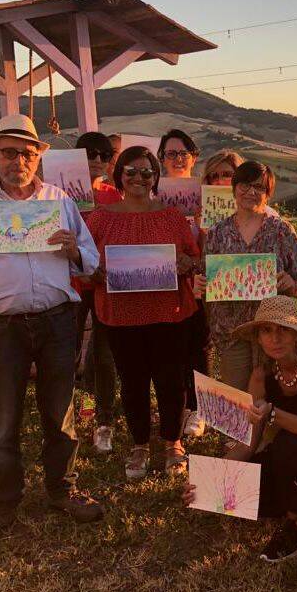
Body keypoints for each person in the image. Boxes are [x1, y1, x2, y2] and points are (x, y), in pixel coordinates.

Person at [0, 114, 104, 545]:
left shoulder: (58, 198)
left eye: (27, 153)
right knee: (3, 421)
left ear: (37, 158)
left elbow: (90, 258)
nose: (19, 160)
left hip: (55, 322)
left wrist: (74, 250)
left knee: (60, 413)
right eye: (9, 152)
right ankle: (1, 505)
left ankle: (62, 489)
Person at [86, 146, 199, 480]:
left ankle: (172, 443)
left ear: (155, 177)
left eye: (146, 172)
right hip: (121, 317)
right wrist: (94, 272)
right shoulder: (101, 217)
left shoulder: (172, 216)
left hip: (168, 313)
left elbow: (194, 259)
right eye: (131, 172)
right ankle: (139, 444)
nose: (138, 178)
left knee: (170, 381)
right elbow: (86, 265)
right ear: (119, 174)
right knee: (132, 382)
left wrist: (186, 263)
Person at [207, 296, 297, 562]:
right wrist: (211, 480)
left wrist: (273, 413)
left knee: (286, 445)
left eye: (284, 329)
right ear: (258, 338)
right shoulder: (261, 376)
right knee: (239, 492)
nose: (276, 338)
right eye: (267, 330)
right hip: (289, 462)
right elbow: (249, 441)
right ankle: (295, 500)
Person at [197, 160, 297, 390]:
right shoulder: (217, 232)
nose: (251, 192)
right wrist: (201, 283)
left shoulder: (282, 231)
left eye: (259, 187)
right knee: (238, 398)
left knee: (272, 397)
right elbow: (205, 278)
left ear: (268, 194)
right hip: (230, 332)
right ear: (234, 188)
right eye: (245, 185)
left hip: (274, 331)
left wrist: (291, 282)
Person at [72, 132, 122, 452]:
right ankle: (74, 411)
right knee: (68, 352)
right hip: (71, 286)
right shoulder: (57, 192)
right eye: (90, 153)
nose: (98, 161)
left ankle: (102, 418)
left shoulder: (115, 197)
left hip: (105, 283)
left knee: (104, 355)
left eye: (105, 155)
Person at [156, 129, 207, 437]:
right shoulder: (152, 194)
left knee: (198, 343)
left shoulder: (206, 192)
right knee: (172, 346)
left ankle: (200, 410)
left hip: (199, 277)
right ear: (161, 159)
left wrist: (203, 228)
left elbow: (212, 241)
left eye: (182, 153)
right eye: (170, 154)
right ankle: (180, 406)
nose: (176, 159)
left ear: (193, 157)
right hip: (166, 280)